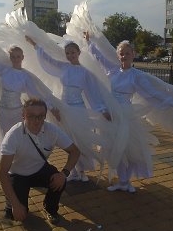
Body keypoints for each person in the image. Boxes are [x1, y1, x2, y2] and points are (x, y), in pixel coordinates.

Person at [85, 32, 173, 193]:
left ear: (133, 55)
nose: (124, 56)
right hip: (111, 115)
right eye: (121, 53)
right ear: (118, 56)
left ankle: (126, 181)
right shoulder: (112, 70)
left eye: (127, 53)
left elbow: (154, 94)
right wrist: (89, 42)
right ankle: (121, 181)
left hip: (126, 114)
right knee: (114, 148)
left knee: (128, 148)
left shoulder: (136, 76)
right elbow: (99, 58)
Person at [25, 35, 111, 183]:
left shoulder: (85, 73)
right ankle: (75, 170)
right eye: (68, 53)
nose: (70, 55)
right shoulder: (64, 67)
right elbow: (48, 60)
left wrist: (102, 109)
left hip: (78, 110)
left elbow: (93, 93)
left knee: (82, 141)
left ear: (78, 53)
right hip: (64, 109)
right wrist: (35, 45)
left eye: (73, 52)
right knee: (69, 141)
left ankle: (83, 170)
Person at [0, 32, 60, 152]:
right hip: (3, 111)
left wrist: (51, 108)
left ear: (22, 57)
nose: (16, 59)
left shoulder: (25, 77)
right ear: (10, 57)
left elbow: (36, 94)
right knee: (5, 136)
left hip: (16, 111)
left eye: (18, 56)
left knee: (18, 136)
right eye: (13, 56)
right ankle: (7, 161)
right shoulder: (4, 70)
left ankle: (20, 162)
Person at [0, 98, 80, 224]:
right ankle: (13, 203)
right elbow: (2, 173)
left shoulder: (51, 130)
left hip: (39, 168)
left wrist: (64, 174)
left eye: (40, 116)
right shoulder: (13, 135)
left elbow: (75, 151)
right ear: (23, 116)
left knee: (59, 180)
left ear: (45, 116)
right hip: (18, 174)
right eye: (31, 116)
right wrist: (15, 205)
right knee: (18, 215)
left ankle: (50, 209)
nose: (36, 121)